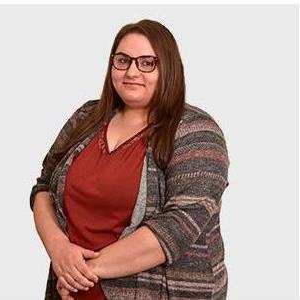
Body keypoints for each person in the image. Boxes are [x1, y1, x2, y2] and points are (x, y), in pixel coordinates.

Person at [30, 19, 230, 300]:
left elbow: (178, 226)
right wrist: (59, 250)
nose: (132, 71)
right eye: (123, 60)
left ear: (168, 68)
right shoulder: (86, 118)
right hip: (70, 292)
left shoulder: (196, 132)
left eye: (147, 62)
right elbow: (43, 189)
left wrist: (82, 272)